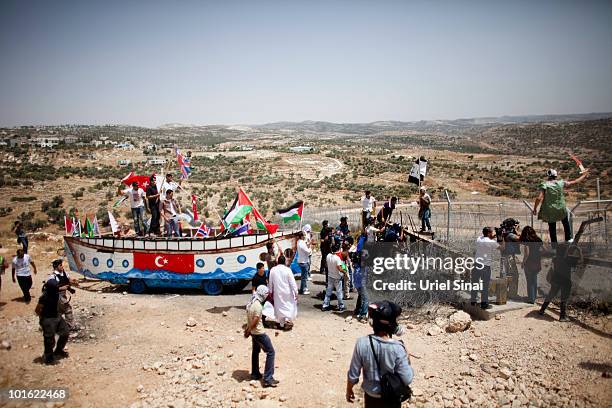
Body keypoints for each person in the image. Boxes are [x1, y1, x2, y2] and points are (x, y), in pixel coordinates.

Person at [347, 301, 413, 407]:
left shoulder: (362, 343)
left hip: (371, 398)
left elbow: (353, 374)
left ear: (373, 323)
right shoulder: (398, 348)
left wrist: (349, 390)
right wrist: (408, 358)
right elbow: (407, 378)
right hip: (392, 398)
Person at [533, 168, 589, 244]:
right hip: (561, 208)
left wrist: (535, 209)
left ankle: (554, 245)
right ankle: (568, 239)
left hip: (550, 210)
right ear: (556, 176)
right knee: (566, 223)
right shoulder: (561, 183)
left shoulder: (545, 184)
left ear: (548, 176)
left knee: (552, 228)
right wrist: (584, 175)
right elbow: (575, 182)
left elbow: (539, 198)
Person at [245, 285, 278, 387]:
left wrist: (248, 330)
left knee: (255, 352)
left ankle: (255, 373)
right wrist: (249, 329)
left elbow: (249, 318)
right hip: (259, 333)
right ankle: (268, 378)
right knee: (271, 352)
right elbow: (255, 320)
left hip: (254, 333)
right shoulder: (258, 306)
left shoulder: (251, 303)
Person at [539, 243, 580, 322]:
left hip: (555, 279)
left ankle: (542, 309)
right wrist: (579, 251)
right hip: (565, 281)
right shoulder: (568, 259)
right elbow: (581, 261)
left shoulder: (555, 258)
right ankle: (562, 316)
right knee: (564, 298)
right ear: (565, 251)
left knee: (550, 295)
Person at [35, 278, 69, 365]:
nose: (58, 287)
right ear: (51, 288)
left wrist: (67, 287)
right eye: (56, 286)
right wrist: (42, 320)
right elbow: (37, 310)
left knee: (65, 333)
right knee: (49, 339)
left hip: (56, 316)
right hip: (48, 319)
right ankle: (48, 357)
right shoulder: (44, 297)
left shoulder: (54, 290)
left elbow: (60, 288)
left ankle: (58, 350)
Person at [470, 227, 500, 309]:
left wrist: (492, 237)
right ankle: (484, 304)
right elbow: (501, 248)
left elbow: (484, 238)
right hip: (485, 266)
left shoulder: (479, 239)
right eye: (492, 232)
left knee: (475, 284)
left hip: (476, 264)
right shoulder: (491, 242)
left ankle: (473, 301)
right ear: (489, 233)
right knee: (485, 285)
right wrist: (502, 239)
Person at [268, 255, 298, 329]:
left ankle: (281, 323)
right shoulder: (288, 270)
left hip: (277, 292)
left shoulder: (273, 270)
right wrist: (296, 292)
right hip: (287, 291)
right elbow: (292, 282)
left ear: (278, 261)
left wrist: (270, 291)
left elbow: (270, 282)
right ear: (284, 261)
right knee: (288, 305)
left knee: (279, 307)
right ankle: (287, 320)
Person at [48, 259, 79, 331]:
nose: (62, 266)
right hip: (57, 296)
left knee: (59, 311)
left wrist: (74, 282)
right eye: (60, 265)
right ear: (56, 267)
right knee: (67, 309)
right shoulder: (53, 277)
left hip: (63, 295)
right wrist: (61, 288)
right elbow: (51, 288)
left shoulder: (64, 273)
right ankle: (70, 326)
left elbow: (68, 280)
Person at [519, 226, 543, 304]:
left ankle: (531, 299)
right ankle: (534, 297)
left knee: (529, 281)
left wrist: (523, 263)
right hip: (537, 262)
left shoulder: (527, 241)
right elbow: (544, 250)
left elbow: (527, 253)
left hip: (529, 263)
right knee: (534, 280)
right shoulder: (538, 240)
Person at [499, 218, 521, 298]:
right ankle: (512, 294)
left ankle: (503, 293)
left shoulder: (503, 233)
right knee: (514, 275)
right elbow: (521, 239)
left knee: (505, 275)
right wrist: (517, 230)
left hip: (504, 256)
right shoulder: (510, 235)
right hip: (509, 257)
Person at [322, 244, 345, 312]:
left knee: (328, 292)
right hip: (337, 277)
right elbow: (339, 268)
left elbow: (326, 264)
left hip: (330, 276)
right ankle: (341, 305)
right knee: (339, 292)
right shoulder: (337, 258)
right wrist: (344, 272)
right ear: (338, 250)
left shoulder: (328, 256)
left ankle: (325, 305)